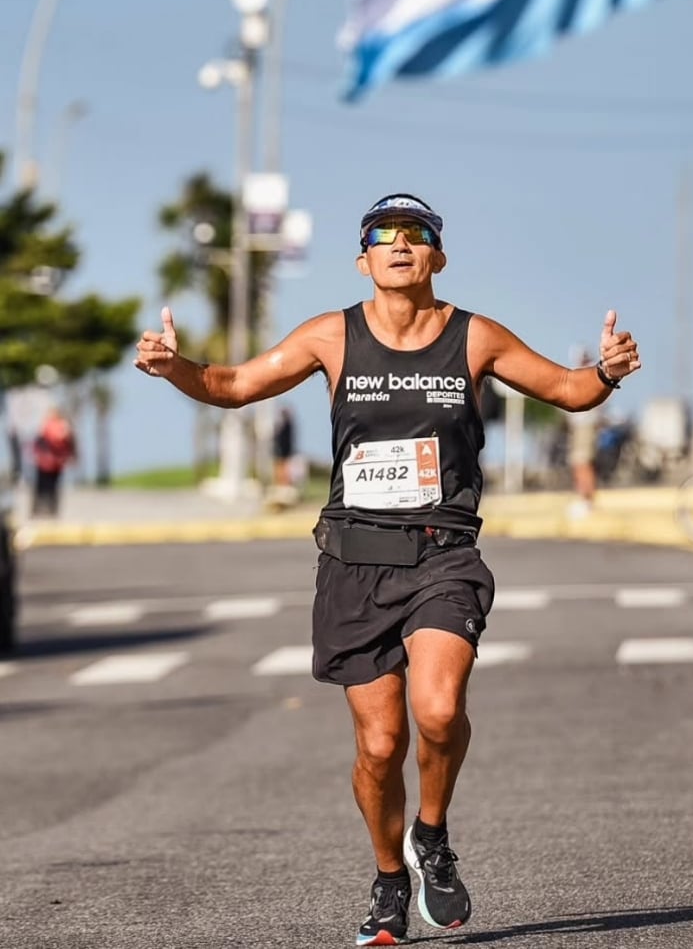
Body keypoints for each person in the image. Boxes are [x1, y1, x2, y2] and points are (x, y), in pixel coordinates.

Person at [134, 193, 640, 946]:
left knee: (437, 710)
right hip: (355, 561)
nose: (400, 244)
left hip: (443, 554)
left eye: (416, 234)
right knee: (379, 747)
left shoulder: (474, 337)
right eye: (384, 235)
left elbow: (568, 392)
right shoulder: (331, 336)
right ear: (362, 258)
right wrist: (174, 367)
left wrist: (606, 371)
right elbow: (233, 386)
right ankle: (389, 877)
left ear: (438, 255)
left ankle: (431, 834)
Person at [565, 349, 601, 517]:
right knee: (579, 463)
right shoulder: (584, 373)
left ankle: (587, 501)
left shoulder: (591, 375)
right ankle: (583, 499)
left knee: (583, 463)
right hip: (580, 426)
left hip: (585, 425)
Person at [30, 408, 77, 518]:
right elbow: (70, 443)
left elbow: (39, 442)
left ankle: (39, 510)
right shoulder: (64, 426)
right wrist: (72, 456)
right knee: (52, 487)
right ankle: (51, 509)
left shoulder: (47, 425)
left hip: (45, 462)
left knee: (42, 487)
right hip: (56, 462)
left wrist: (36, 455)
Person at [272, 406, 297, 489]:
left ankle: (283, 484)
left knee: (282, 467)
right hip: (285, 449)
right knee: (283, 466)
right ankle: (282, 483)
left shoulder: (286, 425)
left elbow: (280, 438)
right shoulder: (289, 425)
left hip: (283, 450)